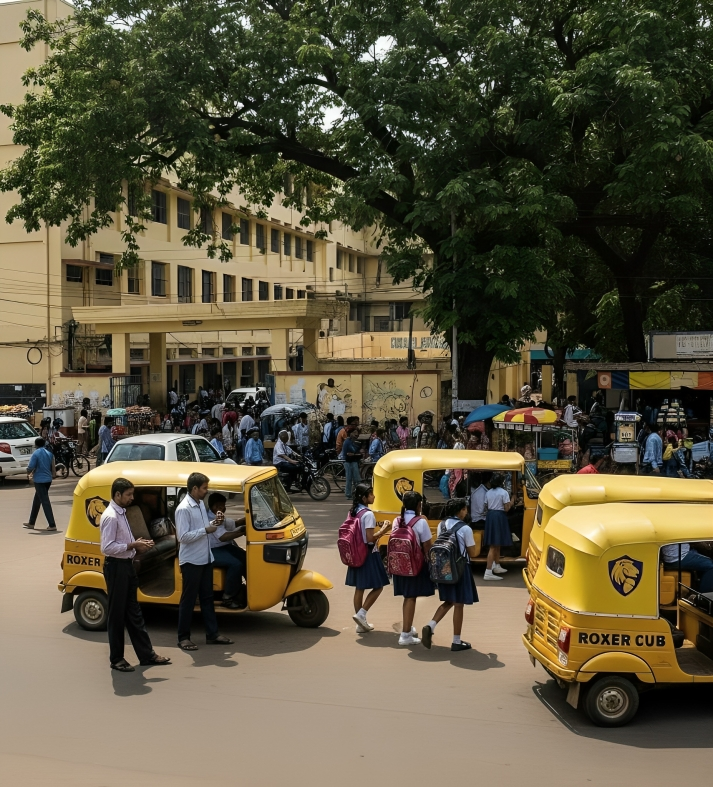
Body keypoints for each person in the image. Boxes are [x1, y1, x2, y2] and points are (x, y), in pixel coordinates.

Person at [99, 477, 171, 671]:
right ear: (117, 495)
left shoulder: (122, 512)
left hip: (127, 565)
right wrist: (133, 545)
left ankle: (147, 655)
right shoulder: (111, 516)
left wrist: (138, 545)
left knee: (134, 612)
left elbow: (123, 540)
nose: (132, 498)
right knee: (116, 615)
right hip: (116, 567)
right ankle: (117, 659)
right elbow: (106, 547)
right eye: (129, 495)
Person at [175, 472, 233, 651]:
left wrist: (215, 522)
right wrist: (206, 530)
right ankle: (183, 637)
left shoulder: (199, 504)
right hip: (191, 561)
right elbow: (183, 536)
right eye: (204, 488)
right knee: (189, 600)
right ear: (194, 489)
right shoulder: (183, 509)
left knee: (207, 598)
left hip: (205, 558)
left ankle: (212, 634)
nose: (206, 491)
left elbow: (204, 526)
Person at [421, 498, 479, 651]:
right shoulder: (465, 528)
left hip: (444, 567)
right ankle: (456, 641)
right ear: (460, 511)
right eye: (465, 509)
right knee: (459, 604)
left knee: (448, 601)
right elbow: (472, 552)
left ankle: (431, 625)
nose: (466, 512)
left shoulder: (442, 524)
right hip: (460, 569)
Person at [345, 483, 390, 633]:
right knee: (379, 586)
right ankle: (361, 614)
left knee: (360, 587)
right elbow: (370, 538)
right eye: (371, 494)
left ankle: (360, 624)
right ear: (364, 497)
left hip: (355, 552)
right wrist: (384, 529)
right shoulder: (368, 514)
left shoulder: (353, 511)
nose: (374, 496)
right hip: (369, 553)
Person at [392, 491, 435, 646]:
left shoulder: (397, 520)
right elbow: (427, 546)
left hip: (400, 564)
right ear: (419, 505)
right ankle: (405, 635)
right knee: (411, 598)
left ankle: (407, 629)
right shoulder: (421, 522)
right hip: (415, 566)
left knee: (408, 597)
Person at [207, 492, 247, 609]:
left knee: (246, 557)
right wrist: (242, 532)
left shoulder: (218, 515)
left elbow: (233, 524)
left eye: (224, 506)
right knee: (236, 564)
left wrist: (247, 520)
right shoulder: (210, 518)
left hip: (223, 546)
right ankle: (228, 596)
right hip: (211, 550)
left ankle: (250, 588)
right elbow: (223, 536)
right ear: (213, 507)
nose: (223, 509)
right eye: (220, 506)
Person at [483, 474, 514, 581]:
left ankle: (496, 565)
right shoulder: (504, 492)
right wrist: (513, 500)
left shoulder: (488, 492)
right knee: (494, 545)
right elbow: (506, 508)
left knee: (497, 543)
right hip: (499, 516)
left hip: (491, 516)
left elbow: (485, 507)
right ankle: (488, 571)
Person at [23, 437, 57, 531]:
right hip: (48, 480)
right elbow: (52, 466)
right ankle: (31, 523)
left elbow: (31, 467)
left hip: (39, 480)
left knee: (45, 501)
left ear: (36, 445)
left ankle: (52, 524)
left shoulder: (36, 453)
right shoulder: (49, 453)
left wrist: (28, 474)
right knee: (37, 500)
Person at [342, 426, 362, 499]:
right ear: (350, 433)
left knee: (357, 479)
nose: (356, 434)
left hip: (354, 461)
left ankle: (356, 493)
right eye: (354, 433)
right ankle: (348, 494)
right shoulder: (347, 442)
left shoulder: (354, 441)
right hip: (348, 462)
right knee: (349, 478)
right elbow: (348, 453)